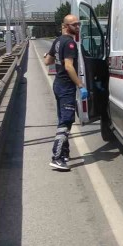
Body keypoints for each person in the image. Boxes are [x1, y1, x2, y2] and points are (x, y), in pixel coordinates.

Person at [43, 15, 88, 171]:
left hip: (58, 84)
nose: (78, 27)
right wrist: (80, 85)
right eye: (74, 24)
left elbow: (47, 61)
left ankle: (64, 153)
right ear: (66, 26)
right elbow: (69, 66)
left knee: (62, 118)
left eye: (79, 24)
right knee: (66, 121)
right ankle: (56, 157)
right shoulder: (70, 43)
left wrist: (50, 56)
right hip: (66, 86)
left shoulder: (57, 41)